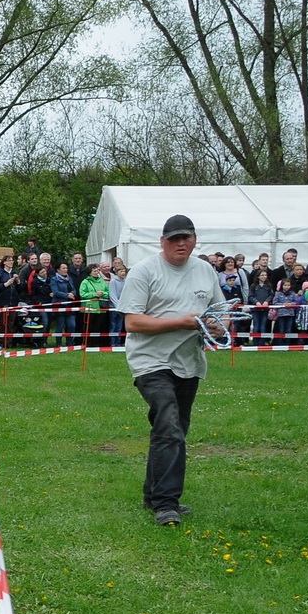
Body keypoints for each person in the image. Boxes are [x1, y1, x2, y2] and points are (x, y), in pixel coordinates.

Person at [117, 215, 225, 527]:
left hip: (189, 362)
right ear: (162, 242)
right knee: (168, 422)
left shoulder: (205, 271)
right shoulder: (144, 271)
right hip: (150, 361)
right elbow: (133, 322)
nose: (181, 244)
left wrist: (217, 327)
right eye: (174, 239)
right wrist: (183, 321)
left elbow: (218, 315)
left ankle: (153, 495)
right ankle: (167, 503)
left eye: (186, 238)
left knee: (173, 429)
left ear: (194, 240)